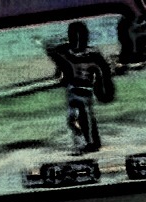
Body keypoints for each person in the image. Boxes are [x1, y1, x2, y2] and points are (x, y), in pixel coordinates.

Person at [45, 18, 117, 153]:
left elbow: (104, 74)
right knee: (74, 120)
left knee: (83, 116)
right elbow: (58, 65)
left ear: (85, 37)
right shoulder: (66, 51)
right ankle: (86, 144)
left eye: (80, 36)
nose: (78, 40)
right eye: (75, 36)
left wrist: (104, 91)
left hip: (85, 89)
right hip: (73, 89)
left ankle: (90, 144)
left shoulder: (92, 55)